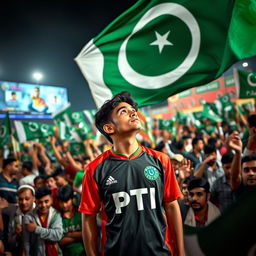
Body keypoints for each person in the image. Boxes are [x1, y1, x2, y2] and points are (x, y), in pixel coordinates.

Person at [79, 92, 185, 256]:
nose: (133, 112)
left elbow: (171, 206)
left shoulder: (161, 160)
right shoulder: (94, 169)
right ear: (109, 128)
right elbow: (88, 218)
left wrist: (181, 252)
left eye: (132, 110)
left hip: (160, 252)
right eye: (123, 111)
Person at [24, 186, 63, 256]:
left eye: (46, 201)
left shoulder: (56, 214)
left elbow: (58, 235)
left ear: (51, 199)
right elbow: (26, 242)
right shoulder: (29, 217)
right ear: (35, 201)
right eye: (40, 202)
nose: (43, 205)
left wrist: (36, 229)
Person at [1, 185, 35, 255]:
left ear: (34, 198)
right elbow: (10, 242)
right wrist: (17, 236)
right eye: (20, 199)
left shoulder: (40, 212)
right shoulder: (14, 213)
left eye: (27, 199)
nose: (23, 202)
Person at [57, 185, 85, 256]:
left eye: (66, 201)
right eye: (61, 202)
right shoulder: (57, 217)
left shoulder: (81, 213)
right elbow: (59, 241)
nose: (64, 205)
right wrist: (79, 236)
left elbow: (88, 234)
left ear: (72, 199)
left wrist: (69, 234)